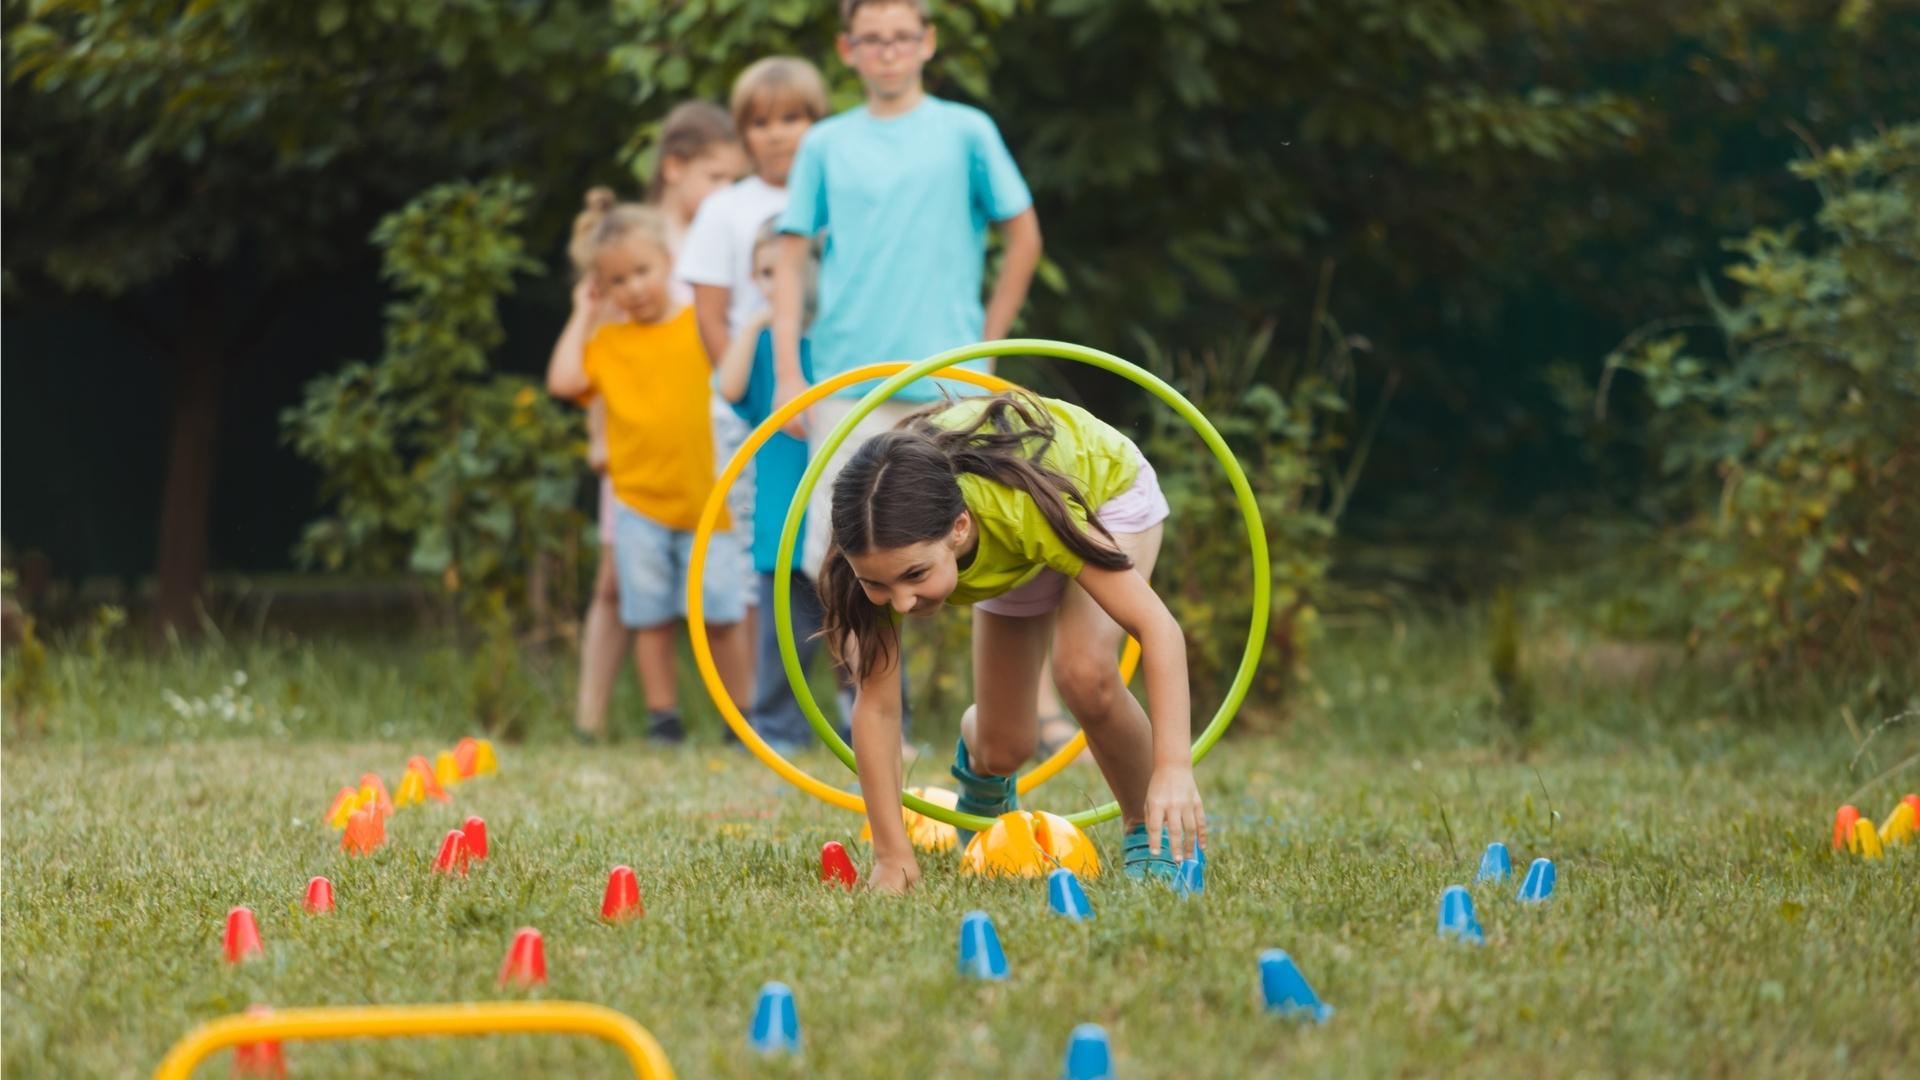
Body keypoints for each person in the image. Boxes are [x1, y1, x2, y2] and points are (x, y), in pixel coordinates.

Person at [817, 391, 1203, 893]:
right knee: (1004, 747)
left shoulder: (1020, 509)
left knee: (1083, 672)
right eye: (879, 585)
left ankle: (1150, 835)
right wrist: (892, 857)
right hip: (1012, 550)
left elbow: (1159, 629)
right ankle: (980, 779)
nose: (902, 603)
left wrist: (1172, 768)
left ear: (958, 530)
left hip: (1101, 497)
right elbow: (879, 709)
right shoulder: (874, 548)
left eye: (915, 575)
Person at [769, 0, 1043, 583]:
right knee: (842, 557)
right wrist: (791, 374)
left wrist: (986, 347)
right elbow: (789, 261)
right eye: (872, 39)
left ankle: (1015, 678)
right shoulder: (825, 143)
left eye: (900, 37)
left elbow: (1024, 238)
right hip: (845, 379)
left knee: (981, 546)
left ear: (928, 41)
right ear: (848, 49)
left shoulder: (967, 131)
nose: (888, 52)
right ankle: (867, 679)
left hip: (949, 377)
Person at [558, 104, 748, 742]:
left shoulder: (695, 301)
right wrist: (587, 311)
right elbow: (577, 382)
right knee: (636, 600)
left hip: (704, 480)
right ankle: (640, 719)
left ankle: (741, 718)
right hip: (637, 481)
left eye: (643, 274)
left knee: (723, 605)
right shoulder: (615, 293)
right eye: (717, 178)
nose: (634, 286)